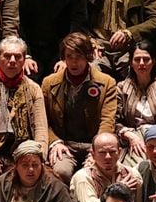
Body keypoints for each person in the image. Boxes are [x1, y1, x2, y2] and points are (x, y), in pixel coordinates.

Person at [0, 37, 50, 185]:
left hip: (24, 151)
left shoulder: (33, 88)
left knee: (47, 179)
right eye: (7, 56)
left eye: (18, 57)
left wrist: (39, 157)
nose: (12, 60)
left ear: (24, 60)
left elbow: (41, 127)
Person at [41, 32, 120, 181]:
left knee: (93, 174)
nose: (73, 62)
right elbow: (43, 120)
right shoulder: (49, 83)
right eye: (69, 56)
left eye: (78, 57)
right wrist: (54, 142)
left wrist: (98, 150)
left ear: (88, 57)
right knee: (62, 171)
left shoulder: (106, 83)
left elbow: (107, 120)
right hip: (64, 143)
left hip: (93, 143)